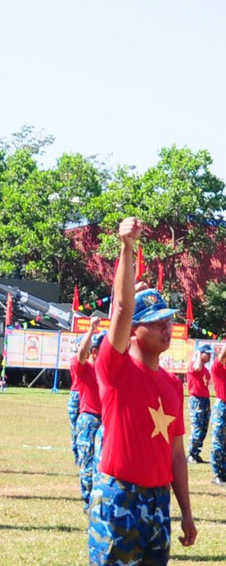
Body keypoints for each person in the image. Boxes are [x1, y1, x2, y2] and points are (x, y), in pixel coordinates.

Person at [88, 217, 196, 564]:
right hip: (120, 497)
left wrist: (187, 511)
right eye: (157, 322)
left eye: (169, 321)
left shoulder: (170, 384)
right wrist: (127, 247)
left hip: (157, 502)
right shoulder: (115, 368)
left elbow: (176, 454)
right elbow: (120, 308)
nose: (168, 328)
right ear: (134, 331)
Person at [69, 320, 103, 512]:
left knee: (103, 463)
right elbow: (81, 354)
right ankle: (88, 501)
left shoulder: (107, 370)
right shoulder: (84, 368)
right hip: (89, 419)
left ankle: (100, 499)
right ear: (95, 351)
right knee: (88, 463)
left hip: (105, 420)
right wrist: (91, 330)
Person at [186, 344, 212, 464]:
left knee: (203, 428)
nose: (210, 355)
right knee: (197, 427)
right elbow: (196, 367)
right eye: (207, 353)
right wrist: (197, 355)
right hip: (196, 400)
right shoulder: (194, 364)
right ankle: (191, 454)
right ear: (201, 353)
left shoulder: (206, 369)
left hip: (205, 400)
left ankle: (196, 453)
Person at [209, 343, 226, 486]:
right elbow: (221, 356)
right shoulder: (217, 369)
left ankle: (224, 473)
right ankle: (217, 475)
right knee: (218, 442)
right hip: (222, 406)